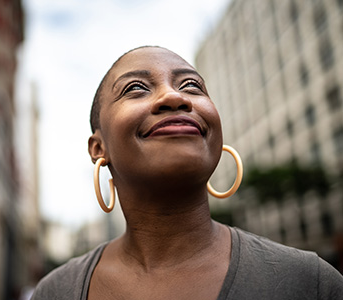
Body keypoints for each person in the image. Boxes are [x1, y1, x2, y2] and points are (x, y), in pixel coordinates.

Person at [32, 46, 343, 299]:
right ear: (98, 148)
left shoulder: (312, 284)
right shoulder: (57, 292)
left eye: (191, 86)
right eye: (136, 88)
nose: (174, 97)